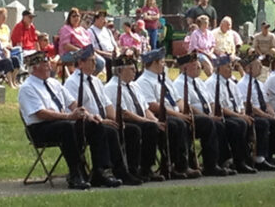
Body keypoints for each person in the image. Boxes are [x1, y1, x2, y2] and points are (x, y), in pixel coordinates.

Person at [19, 51, 121, 189]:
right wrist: (69, 116)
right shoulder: (27, 87)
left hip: (60, 123)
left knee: (95, 125)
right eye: (45, 63)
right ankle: (75, 174)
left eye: (48, 62)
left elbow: (73, 104)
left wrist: (90, 116)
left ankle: (100, 171)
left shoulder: (54, 83)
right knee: (67, 127)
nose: (49, 66)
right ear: (35, 68)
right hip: (40, 128)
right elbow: (40, 113)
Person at [64, 45, 142, 185]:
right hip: (85, 124)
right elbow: (77, 108)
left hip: (102, 121)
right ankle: (105, 171)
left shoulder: (96, 81)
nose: (95, 64)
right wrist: (101, 121)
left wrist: (115, 119)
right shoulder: (72, 83)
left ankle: (132, 169)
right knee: (109, 131)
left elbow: (107, 104)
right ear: (81, 63)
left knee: (131, 130)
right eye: (91, 61)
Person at [135, 47, 202, 179]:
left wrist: (183, 111)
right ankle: (176, 165)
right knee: (178, 124)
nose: (164, 64)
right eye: (162, 62)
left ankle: (199, 162)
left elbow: (178, 99)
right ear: (154, 63)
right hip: (162, 116)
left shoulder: (164, 79)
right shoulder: (143, 81)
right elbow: (153, 105)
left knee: (201, 122)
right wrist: (179, 115)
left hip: (176, 114)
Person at [104, 54, 166, 182]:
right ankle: (134, 168)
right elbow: (124, 113)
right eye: (131, 69)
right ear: (120, 70)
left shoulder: (134, 86)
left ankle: (149, 167)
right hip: (129, 121)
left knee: (157, 125)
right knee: (141, 129)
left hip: (142, 120)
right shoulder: (111, 87)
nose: (135, 72)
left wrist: (155, 120)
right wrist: (148, 121)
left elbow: (145, 108)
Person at [173, 53, 235, 176]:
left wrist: (213, 113)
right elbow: (187, 106)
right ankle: (210, 165)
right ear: (185, 67)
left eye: (199, 65)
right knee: (209, 123)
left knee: (220, 123)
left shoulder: (199, 82)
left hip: (207, 117)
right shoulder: (180, 83)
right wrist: (206, 116)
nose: (200, 68)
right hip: (193, 118)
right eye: (196, 65)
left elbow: (210, 101)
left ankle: (222, 161)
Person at [205, 55, 259, 173]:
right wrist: (240, 116)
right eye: (228, 67)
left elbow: (239, 102)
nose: (231, 69)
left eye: (231, 66)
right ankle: (237, 160)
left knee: (245, 122)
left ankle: (246, 159)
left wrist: (242, 113)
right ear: (219, 68)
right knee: (238, 124)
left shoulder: (231, 83)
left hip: (235, 114)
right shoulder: (212, 83)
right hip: (224, 115)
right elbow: (218, 106)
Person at [236, 54, 275, 169]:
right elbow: (249, 105)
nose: (261, 68)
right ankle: (259, 158)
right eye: (258, 66)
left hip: (263, 113)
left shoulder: (259, 84)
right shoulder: (243, 84)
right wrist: (266, 116)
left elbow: (266, 103)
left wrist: (274, 115)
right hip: (253, 115)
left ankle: (271, 155)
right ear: (248, 68)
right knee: (263, 123)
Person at [58, 7, 104, 75]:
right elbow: (66, 46)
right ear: (69, 18)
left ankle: (88, 77)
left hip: (85, 52)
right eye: (74, 16)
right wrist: (80, 50)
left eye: (78, 16)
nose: (76, 18)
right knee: (88, 60)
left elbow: (88, 43)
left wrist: (89, 52)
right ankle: (81, 78)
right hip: (69, 54)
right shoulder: (66, 28)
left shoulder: (82, 30)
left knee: (101, 62)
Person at [89, 10, 119, 82]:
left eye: (105, 19)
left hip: (112, 53)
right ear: (96, 19)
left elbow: (115, 44)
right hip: (101, 54)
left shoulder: (107, 31)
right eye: (102, 19)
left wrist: (117, 52)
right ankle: (110, 82)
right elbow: (93, 49)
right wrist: (107, 54)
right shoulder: (90, 31)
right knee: (110, 61)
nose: (105, 21)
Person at [0, 19, 20, 88]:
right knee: (7, 62)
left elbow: (4, 50)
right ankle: (10, 84)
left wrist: (7, 55)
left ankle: (13, 80)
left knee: (15, 59)